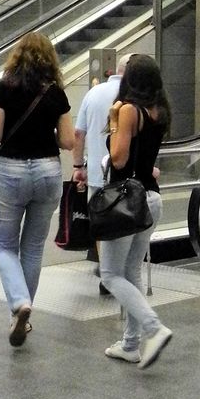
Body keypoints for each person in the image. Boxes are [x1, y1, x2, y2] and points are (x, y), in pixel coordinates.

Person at [0, 31, 75, 348]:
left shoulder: (5, 89)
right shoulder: (57, 93)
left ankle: (19, 302)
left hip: (11, 171)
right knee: (33, 248)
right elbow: (67, 142)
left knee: (5, 247)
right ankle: (22, 315)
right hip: (48, 171)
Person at [99, 52, 173, 370]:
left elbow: (118, 159)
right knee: (131, 271)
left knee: (111, 274)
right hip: (151, 200)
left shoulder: (128, 111)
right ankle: (131, 344)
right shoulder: (159, 111)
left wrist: (115, 120)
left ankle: (154, 329)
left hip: (128, 201)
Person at [73, 54, 130, 293]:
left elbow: (78, 133)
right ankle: (122, 273)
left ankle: (107, 274)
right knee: (126, 222)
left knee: (101, 225)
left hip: (97, 174)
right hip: (128, 175)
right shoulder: (136, 97)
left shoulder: (93, 93)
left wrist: (78, 167)